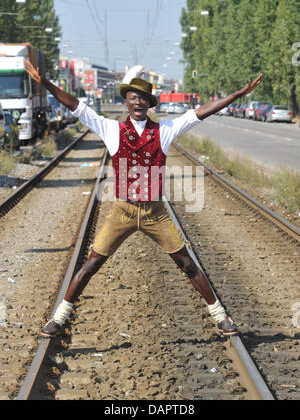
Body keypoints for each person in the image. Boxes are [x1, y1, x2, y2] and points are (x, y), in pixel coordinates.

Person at [24, 59, 262, 339]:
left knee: (186, 263)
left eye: (143, 99)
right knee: (91, 264)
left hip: (154, 213)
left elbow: (199, 114)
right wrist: (46, 84)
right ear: (126, 100)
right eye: (133, 97)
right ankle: (58, 318)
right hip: (122, 211)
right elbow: (76, 106)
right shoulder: (111, 129)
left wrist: (237, 95)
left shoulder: (165, 131)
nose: (138, 102)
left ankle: (221, 317)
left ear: (150, 103)